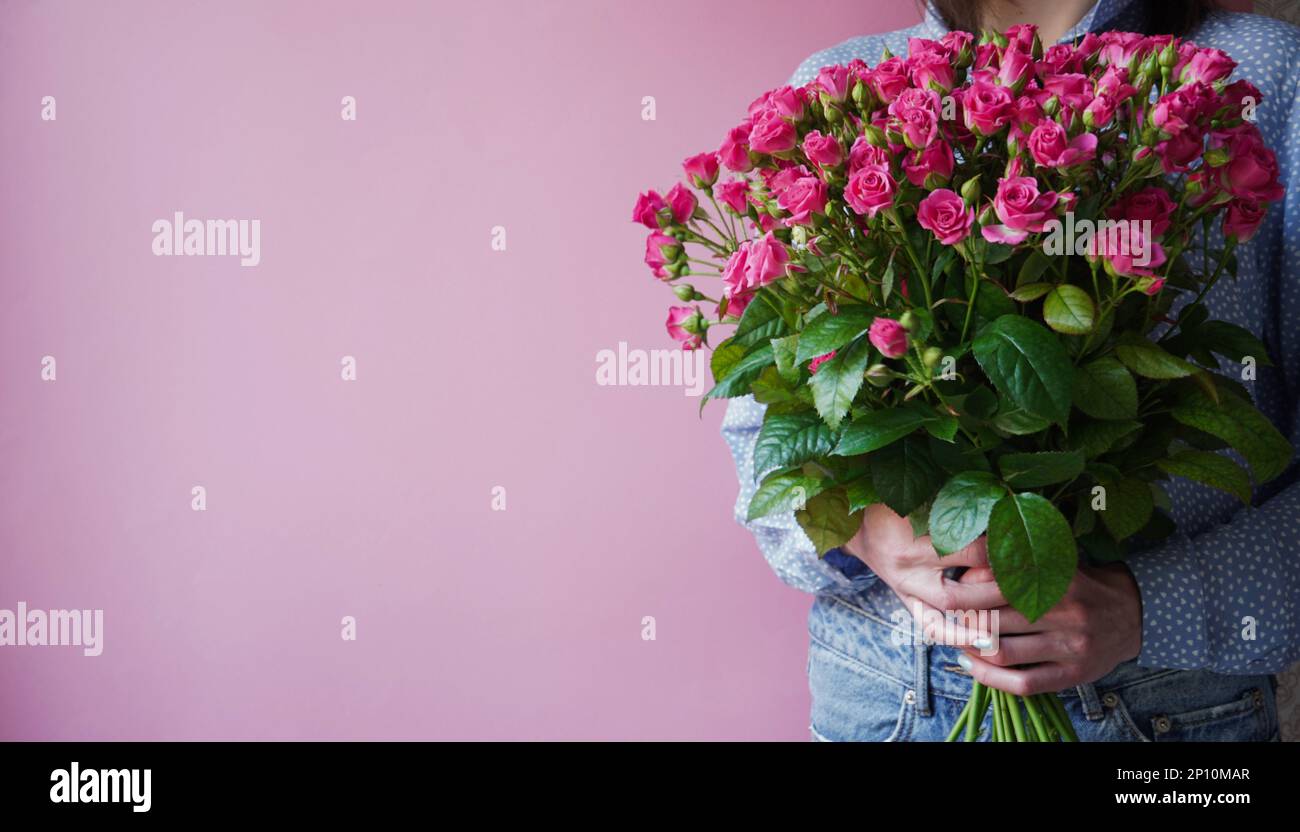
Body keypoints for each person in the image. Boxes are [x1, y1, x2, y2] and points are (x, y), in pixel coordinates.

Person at [722, 0, 1300, 741]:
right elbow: (763, 428)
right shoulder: (838, 89)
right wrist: (864, 533)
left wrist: (1153, 607)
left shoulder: (1260, 74)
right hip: (882, 687)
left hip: (1161, 707)